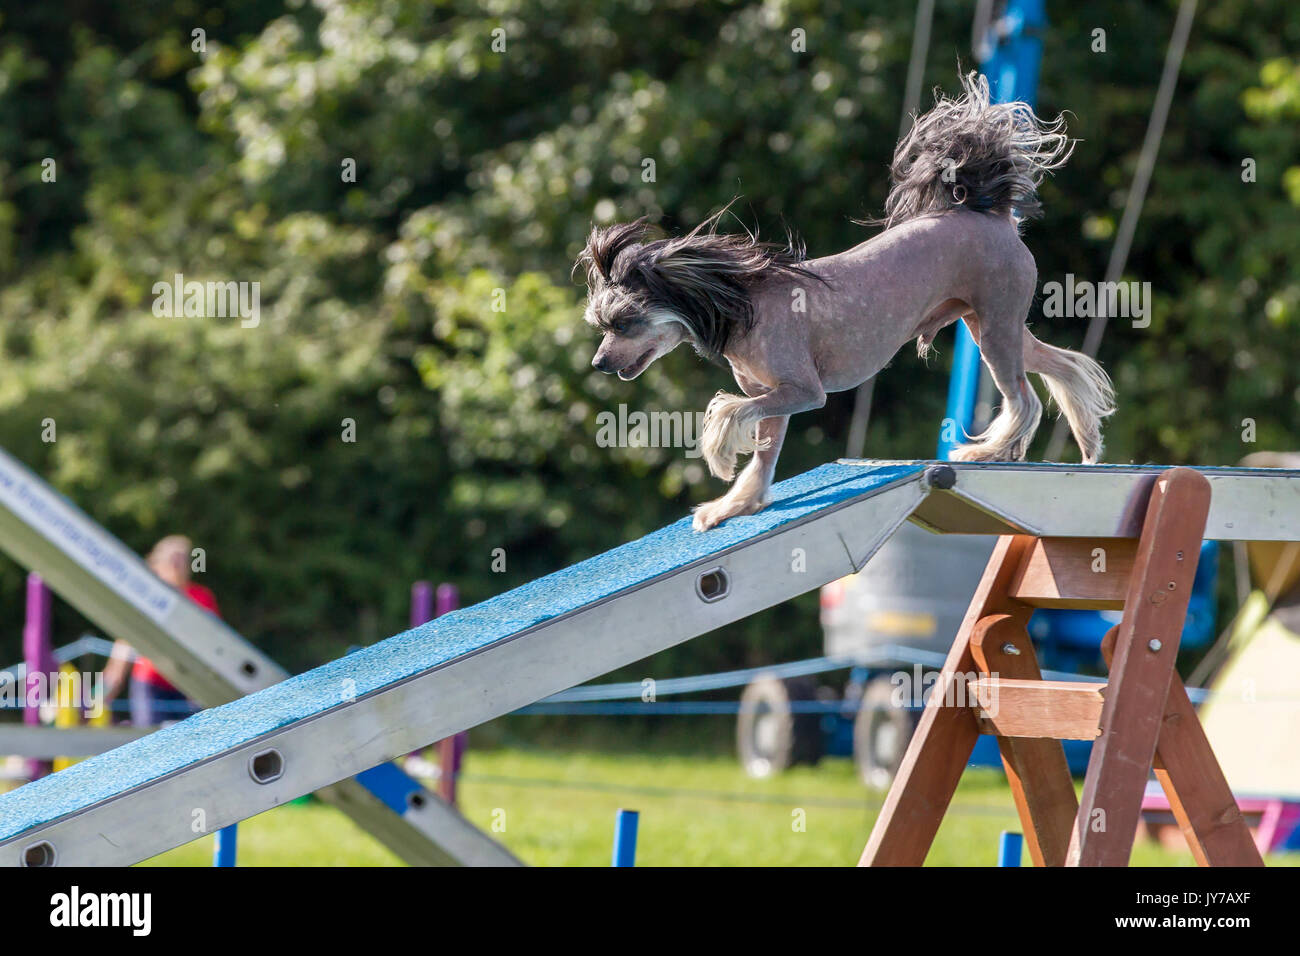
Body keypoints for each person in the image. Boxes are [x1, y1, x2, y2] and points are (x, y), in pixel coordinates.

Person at [103, 535, 219, 726]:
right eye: (173, 559)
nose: (177, 564)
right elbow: (121, 654)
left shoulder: (202, 598)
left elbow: (216, 647)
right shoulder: (146, 597)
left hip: (190, 687)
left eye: (182, 559)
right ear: (158, 563)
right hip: (150, 687)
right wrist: (101, 697)